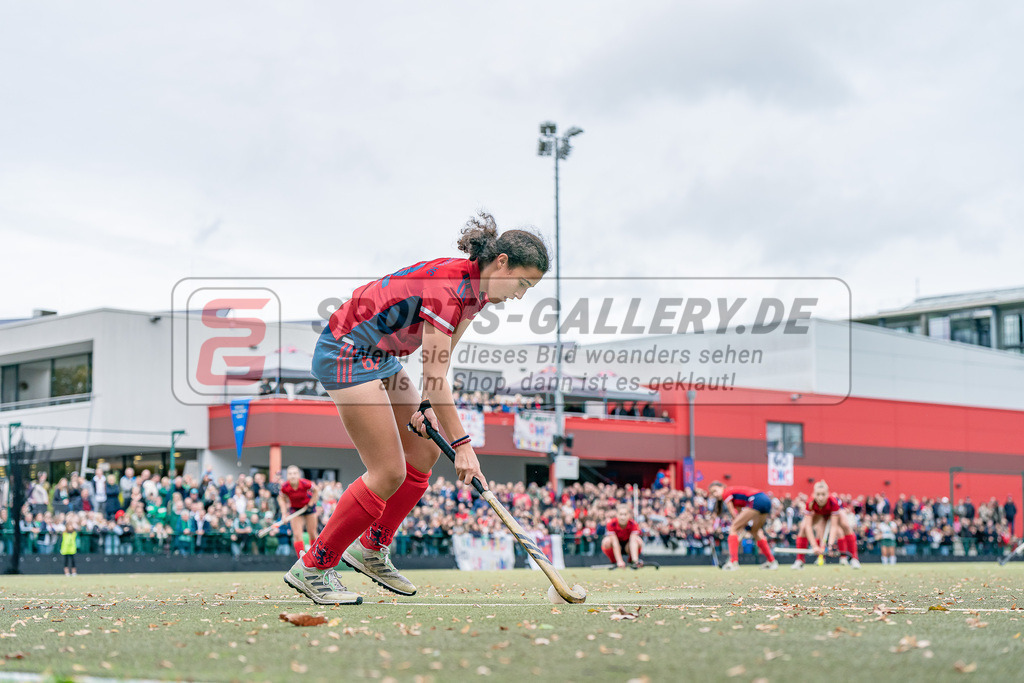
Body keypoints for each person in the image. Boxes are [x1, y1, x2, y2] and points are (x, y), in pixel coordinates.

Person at [284, 212, 549, 605]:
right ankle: (314, 566)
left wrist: (426, 405)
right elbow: (437, 372)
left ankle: (371, 549)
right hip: (348, 352)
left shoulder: (475, 293)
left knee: (424, 451)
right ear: (502, 262)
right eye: (522, 283)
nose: (520, 294)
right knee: (387, 471)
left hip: (382, 357)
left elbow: (440, 358)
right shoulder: (450, 287)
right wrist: (462, 445)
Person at [706, 481, 778, 571]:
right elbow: (740, 514)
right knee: (756, 532)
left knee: (733, 529)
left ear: (722, 487)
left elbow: (733, 514)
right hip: (766, 500)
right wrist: (745, 526)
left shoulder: (726, 493)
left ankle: (733, 562)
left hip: (756, 499)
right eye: (712, 493)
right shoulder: (735, 497)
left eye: (715, 491)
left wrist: (738, 527)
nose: (715, 494)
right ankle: (772, 561)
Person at [792, 480, 861, 569]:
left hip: (834, 513)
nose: (820, 498)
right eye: (818, 494)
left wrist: (830, 545)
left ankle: (854, 559)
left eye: (823, 494)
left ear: (828, 493)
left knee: (845, 525)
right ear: (814, 494)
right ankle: (799, 560)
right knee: (803, 528)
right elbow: (808, 526)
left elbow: (834, 526)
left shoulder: (833, 502)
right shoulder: (810, 503)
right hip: (818, 514)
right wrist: (814, 546)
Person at [277, 465, 321, 558]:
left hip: (309, 508)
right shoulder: (285, 487)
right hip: (295, 509)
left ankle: (316, 557)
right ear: (287, 476)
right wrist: (284, 514)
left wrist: (311, 503)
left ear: (299, 475)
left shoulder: (305, 483)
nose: (292, 476)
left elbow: (316, 490)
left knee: (312, 533)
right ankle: (301, 560)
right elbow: (281, 499)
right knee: (297, 534)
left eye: (295, 473)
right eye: (290, 474)